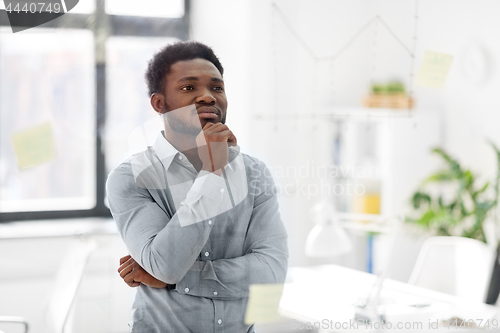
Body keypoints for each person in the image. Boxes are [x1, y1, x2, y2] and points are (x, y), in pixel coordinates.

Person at [106, 41, 289, 333]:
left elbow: (271, 273)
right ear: (159, 104)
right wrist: (212, 172)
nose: (207, 97)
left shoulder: (254, 173)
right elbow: (164, 264)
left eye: (217, 88)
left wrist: (180, 280)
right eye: (189, 88)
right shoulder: (131, 177)